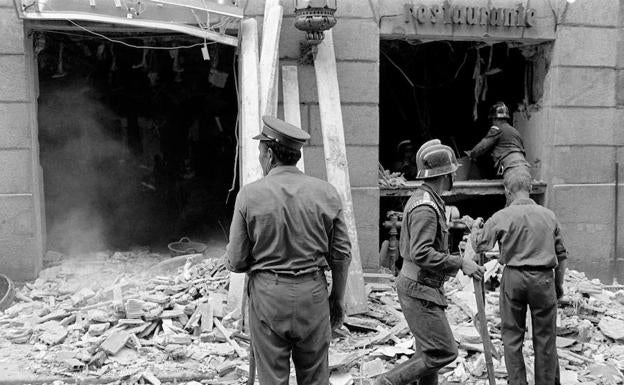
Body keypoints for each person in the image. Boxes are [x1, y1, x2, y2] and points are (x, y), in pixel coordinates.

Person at [225, 116, 351, 385]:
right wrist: (337, 299)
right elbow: (341, 255)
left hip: (268, 298)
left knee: (272, 379)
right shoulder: (326, 193)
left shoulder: (249, 195)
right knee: (316, 378)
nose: (260, 158)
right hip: (313, 296)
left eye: (261, 151)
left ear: (270, 154)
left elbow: (236, 261)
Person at [376, 139, 485, 385]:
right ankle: (385, 382)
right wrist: (460, 263)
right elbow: (421, 253)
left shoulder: (426, 198)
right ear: (446, 175)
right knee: (443, 351)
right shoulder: (426, 207)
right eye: (452, 173)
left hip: (421, 285)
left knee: (427, 352)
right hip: (419, 288)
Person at [468, 169, 567, 385]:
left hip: (514, 278)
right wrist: (558, 285)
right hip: (544, 279)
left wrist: (475, 227)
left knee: (512, 338)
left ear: (507, 191)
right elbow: (561, 255)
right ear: (530, 189)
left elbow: (480, 244)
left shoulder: (502, 216)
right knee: (546, 340)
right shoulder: (549, 215)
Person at [466, 102, 530, 176]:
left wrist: (472, 154)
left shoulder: (497, 129)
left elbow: (483, 146)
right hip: (524, 168)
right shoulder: (515, 132)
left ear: (494, 118)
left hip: (511, 168)